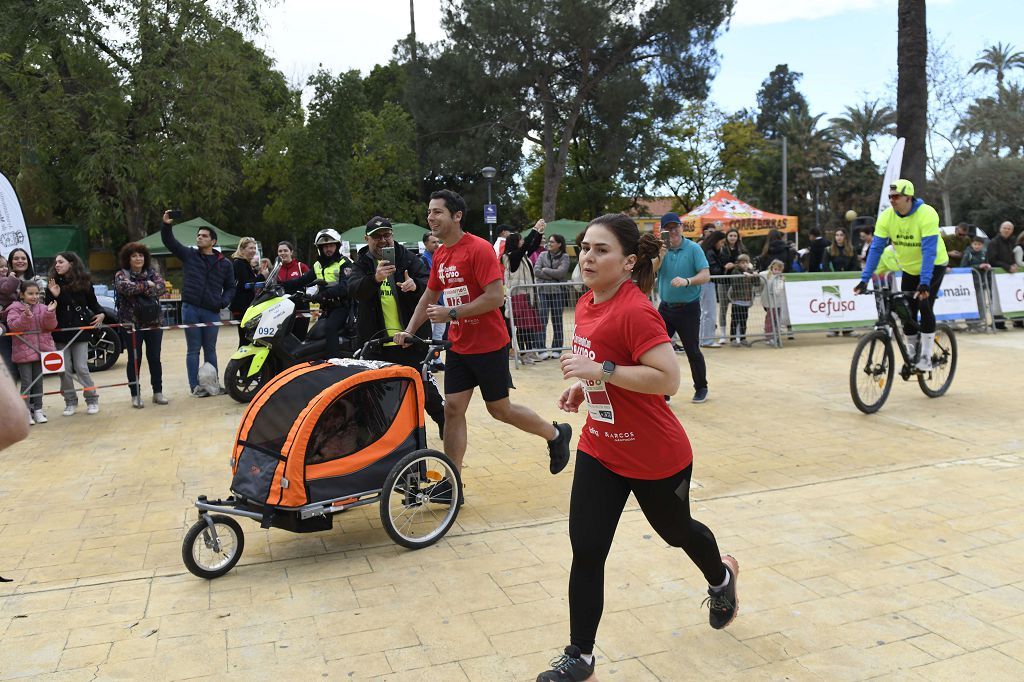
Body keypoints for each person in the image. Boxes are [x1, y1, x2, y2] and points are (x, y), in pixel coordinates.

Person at [536, 213, 738, 682]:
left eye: (601, 250)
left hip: (655, 456)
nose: (588, 257)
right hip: (601, 448)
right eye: (585, 248)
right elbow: (605, 366)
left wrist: (600, 372)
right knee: (587, 549)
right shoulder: (587, 302)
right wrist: (585, 388)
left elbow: (668, 379)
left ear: (628, 262)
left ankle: (721, 576)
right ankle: (580, 657)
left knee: (677, 532)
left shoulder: (636, 310)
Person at [396, 189, 572, 491]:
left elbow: (495, 297)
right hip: (459, 345)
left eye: (437, 211)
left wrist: (452, 313)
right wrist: (410, 331)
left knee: (499, 410)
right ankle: (452, 483)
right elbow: (428, 296)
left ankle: (556, 434)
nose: (430, 217)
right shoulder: (441, 254)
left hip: (489, 344)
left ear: (457, 216)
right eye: (429, 212)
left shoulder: (478, 249)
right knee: (452, 409)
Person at [348, 216, 445, 436]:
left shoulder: (407, 258)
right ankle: (383, 436)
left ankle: (444, 421)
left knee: (423, 385)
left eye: (386, 235)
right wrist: (374, 279)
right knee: (375, 392)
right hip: (377, 342)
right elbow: (353, 290)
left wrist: (415, 285)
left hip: (409, 339)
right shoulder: (362, 263)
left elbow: (430, 283)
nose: (383, 240)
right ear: (367, 239)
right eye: (376, 237)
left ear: (392, 235)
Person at [855, 179, 949, 370]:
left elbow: (929, 251)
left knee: (924, 305)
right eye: (890, 197)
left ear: (908, 197)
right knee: (907, 313)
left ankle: (925, 358)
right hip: (909, 268)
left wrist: (925, 282)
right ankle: (912, 356)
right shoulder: (886, 216)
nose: (892, 200)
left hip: (933, 265)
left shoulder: (927, 213)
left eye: (896, 196)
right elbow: (876, 249)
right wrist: (864, 279)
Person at [160, 212, 235, 396]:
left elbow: (230, 287)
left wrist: (222, 302)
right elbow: (170, 242)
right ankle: (195, 387)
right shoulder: (189, 254)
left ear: (213, 241)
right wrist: (166, 225)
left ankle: (213, 385)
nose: (200, 237)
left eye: (204, 236)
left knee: (210, 349)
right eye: (199, 235)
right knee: (193, 349)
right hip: (190, 309)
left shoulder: (225, 263)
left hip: (211, 310)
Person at [654, 214, 711, 403]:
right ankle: (663, 391)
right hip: (665, 308)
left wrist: (687, 281)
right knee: (658, 351)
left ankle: (701, 387)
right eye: (668, 228)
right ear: (662, 231)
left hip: (688, 308)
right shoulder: (660, 250)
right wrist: (660, 255)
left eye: (675, 227)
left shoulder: (694, 248)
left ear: (681, 227)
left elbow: (705, 275)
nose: (672, 231)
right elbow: (651, 271)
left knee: (692, 350)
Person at [282, 228, 354, 359]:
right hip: (326, 308)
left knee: (330, 328)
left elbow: (345, 287)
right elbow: (301, 281)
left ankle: (335, 362)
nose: (328, 249)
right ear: (320, 248)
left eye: (331, 245)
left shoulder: (345, 263)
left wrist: (323, 295)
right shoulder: (318, 265)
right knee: (314, 333)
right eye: (325, 246)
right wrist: (281, 285)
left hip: (342, 307)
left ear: (337, 246)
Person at [46, 252, 104, 415]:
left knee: (81, 367)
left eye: (61, 262)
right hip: (60, 331)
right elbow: (48, 307)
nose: (57, 265)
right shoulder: (52, 283)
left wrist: (101, 313)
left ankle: (92, 399)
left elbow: (93, 303)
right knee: (64, 369)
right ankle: (70, 401)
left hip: (80, 330)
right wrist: (55, 296)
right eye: (56, 262)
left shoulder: (84, 282)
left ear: (71, 263)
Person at [114, 242, 168, 409]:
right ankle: (135, 394)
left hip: (154, 323)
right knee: (134, 359)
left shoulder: (152, 272)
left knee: (155, 358)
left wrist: (140, 287)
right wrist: (147, 285)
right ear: (128, 259)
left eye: (141, 255)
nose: (138, 258)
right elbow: (126, 289)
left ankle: (158, 392)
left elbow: (161, 288)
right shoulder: (121, 274)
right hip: (131, 324)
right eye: (134, 256)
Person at [6, 280, 58, 425]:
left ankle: (38, 410)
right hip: (23, 352)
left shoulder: (43, 307)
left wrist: (50, 313)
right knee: (27, 382)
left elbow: (51, 326)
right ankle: (25, 411)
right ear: (22, 295)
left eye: (37, 293)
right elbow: (13, 327)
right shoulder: (15, 308)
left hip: (41, 351)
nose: (34, 297)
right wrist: (25, 316)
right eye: (30, 294)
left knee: (38, 382)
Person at [502, 227, 544, 363]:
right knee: (522, 327)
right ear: (515, 242)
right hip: (518, 296)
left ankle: (530, 351)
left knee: (529, 326)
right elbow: (526, 246)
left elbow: (534, 246)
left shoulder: (522, 256)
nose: (522, 242)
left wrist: (540, 232)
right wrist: (534, 229)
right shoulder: (511, 257)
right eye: (520, 240)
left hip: (527, 295)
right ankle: (523, 353)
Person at [534, 232, 571, 358]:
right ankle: (541, 349)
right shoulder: (542, 255)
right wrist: (553, 275)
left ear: (559, 244)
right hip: (543, 291)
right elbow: (536, 271)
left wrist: (545, 270)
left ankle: (557, 348)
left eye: (552, 242)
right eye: (549, 241)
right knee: (542, 320)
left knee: (557, 320)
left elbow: (561, 273)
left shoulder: (565, 257)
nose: (549, 244)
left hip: (558, 292)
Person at [985, 221, 1018, 330]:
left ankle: (1015, 320)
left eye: (1009, 228)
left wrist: (1014, 264)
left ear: (1012, 231)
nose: (1007, 230)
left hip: (1008, 276)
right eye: (1005, 228)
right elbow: (992, 260)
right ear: (1000, 229)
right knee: (996, 298)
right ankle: (997, 322)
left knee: (1009, 297)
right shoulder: (993, 242)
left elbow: (1012, 256)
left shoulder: (1012, 242)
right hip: (996, 275)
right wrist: (1008, 267)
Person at [275, 240, 311, 339]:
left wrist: (308, 295)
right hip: (281, 310)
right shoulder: (275, 269)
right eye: (280, 251)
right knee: (282, 339)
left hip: (301, 308)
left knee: (299, 338)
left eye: (285, 250)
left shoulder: (301, 267)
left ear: (291, 252)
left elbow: (312, 284)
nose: (282, 253)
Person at [229, 237, 261, 346]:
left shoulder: (245, 263)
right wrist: (262, 276)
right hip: (241, 306)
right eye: (250, 248)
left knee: (247, 339)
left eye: (254, 248)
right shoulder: (239, 263)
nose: (253, 250)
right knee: (245, 339)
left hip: (245, 306)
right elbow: (246, 284)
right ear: (242, 249)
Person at [700, 229, 727, 348]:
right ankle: (707, 340)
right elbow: (714, 269)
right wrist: (724, 268)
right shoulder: (710, 252)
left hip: (705, 282)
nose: (722, 244)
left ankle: (703, 339)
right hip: (708, 282)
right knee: (709, 312)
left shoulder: (706, 250)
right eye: (721, 242)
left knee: (704, 312)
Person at [727, 254, 758, 346]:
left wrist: (755, 276)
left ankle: (742, 338)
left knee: (744, 320)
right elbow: (734, 284)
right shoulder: (735, 271)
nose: (745, 264)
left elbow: (757, 284)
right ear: (738, 263)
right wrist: (742, 276)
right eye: (743, 263)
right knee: (735, 320)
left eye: (746, 262)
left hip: (746, 301)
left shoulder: (750, 271)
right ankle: (733, 339)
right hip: (737, 300)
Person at [420, 233, 445, 345]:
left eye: (438, 242)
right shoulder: (422, 261)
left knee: (439, 335)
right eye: (433, 242)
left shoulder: (440, 258)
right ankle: (430, 356)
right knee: (430, 335)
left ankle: (436, 355)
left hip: (442, 302)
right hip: (431, 303)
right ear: (425, 244)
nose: (437, 244)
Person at [760, 259, 786, 346]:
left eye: (779, 270)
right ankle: (769, 336)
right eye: (775, 269)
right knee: (770, 319)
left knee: (776, 319)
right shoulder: (766, 275)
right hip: (769, 302)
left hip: (777, 303)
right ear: (771, 268)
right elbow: (760, 278)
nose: (777, 271)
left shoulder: (780, 278)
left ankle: (775, 335)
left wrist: (781, 281)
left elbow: (778, 291)